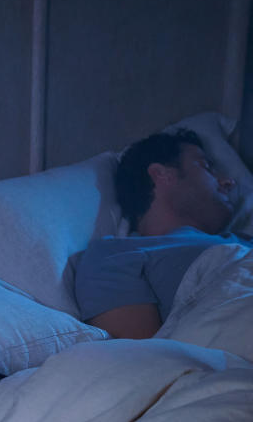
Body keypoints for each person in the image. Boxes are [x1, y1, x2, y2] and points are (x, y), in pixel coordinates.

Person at [74, 128, 244, 339]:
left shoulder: (242, 242)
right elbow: (149, 360)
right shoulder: (116, 256)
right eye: (206, 167)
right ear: (161, 174)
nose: (228, 182)